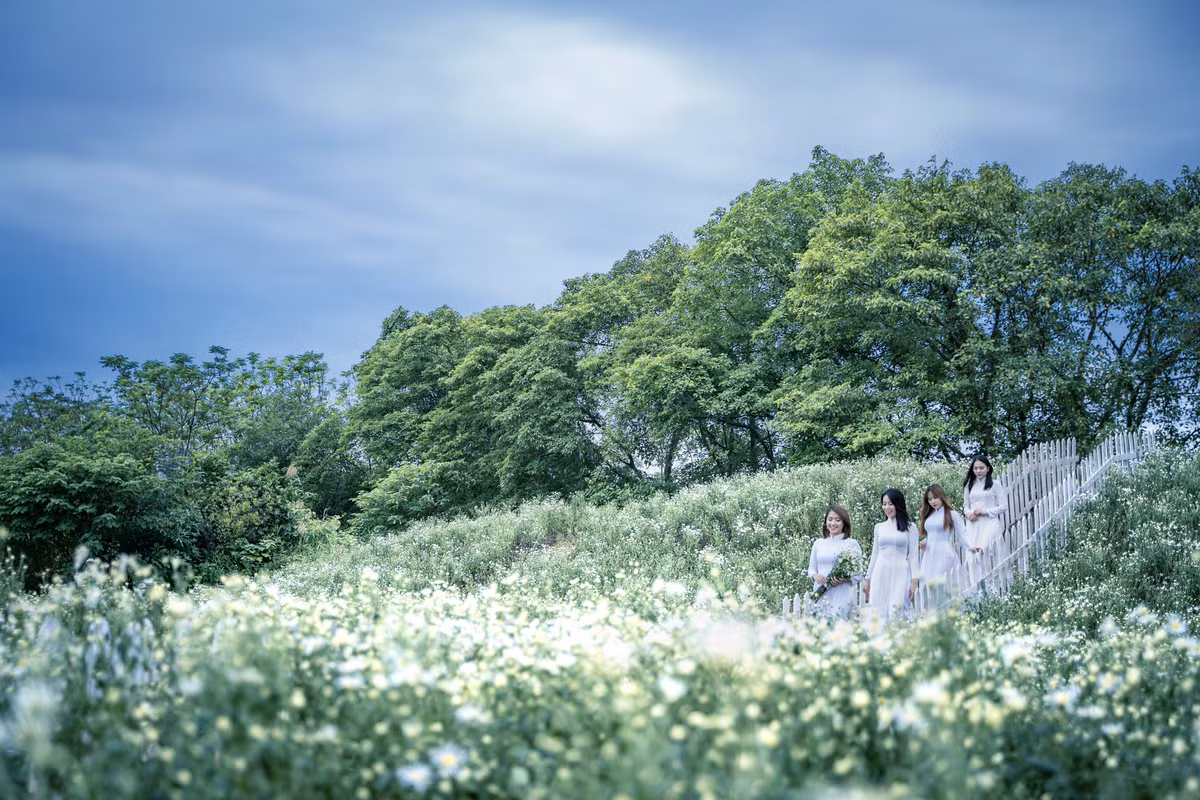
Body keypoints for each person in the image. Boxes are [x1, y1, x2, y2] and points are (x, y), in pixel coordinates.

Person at [863, 489, 919, 623]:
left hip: (901, 572)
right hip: (881, 572)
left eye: (890, 504)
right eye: (884, 504)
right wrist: (868, 578)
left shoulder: (911, 527)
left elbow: (913, 556)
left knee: (897, 608)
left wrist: (914, 581)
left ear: (898, 504)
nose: (886, 507)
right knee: (878, 609)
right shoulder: (879, 527)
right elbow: (875, 553)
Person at [806, 505, 865, 619]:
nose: (833, 523)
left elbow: (859, 574)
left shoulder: (851, 544)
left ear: (844, 523)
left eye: (837, 520)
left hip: (841, 593)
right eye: (830, 519)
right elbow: (811, 569)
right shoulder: (818, 543)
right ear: (825, 521)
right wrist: (815, 576)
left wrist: (845, 579)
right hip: (820, 592)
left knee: (839, 625)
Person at [963, 455, 1008, 589]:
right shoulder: (969, 485)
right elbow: (965, 505)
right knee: (972, 557)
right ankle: (976, 588)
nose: (978, 471)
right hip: (973, 525)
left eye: (981, 468)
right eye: (975, 468)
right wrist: (969, 513)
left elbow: (1003, 506)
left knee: (986, 551)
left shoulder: (995, 484)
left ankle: (995, 587)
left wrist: (985, 511)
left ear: (988, 468)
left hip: (989, 523)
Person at [917, 484, 966, 606]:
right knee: (927, 583)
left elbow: (963, 534)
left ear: (941, 497)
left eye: (935, 498)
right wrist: (925, 542)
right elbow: (932, 535)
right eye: (929, 499)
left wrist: (972, 547)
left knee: (941, 583)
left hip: (943, 553)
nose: (933, 501)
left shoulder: (951, 514)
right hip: (929, 555)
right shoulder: (929, 515)